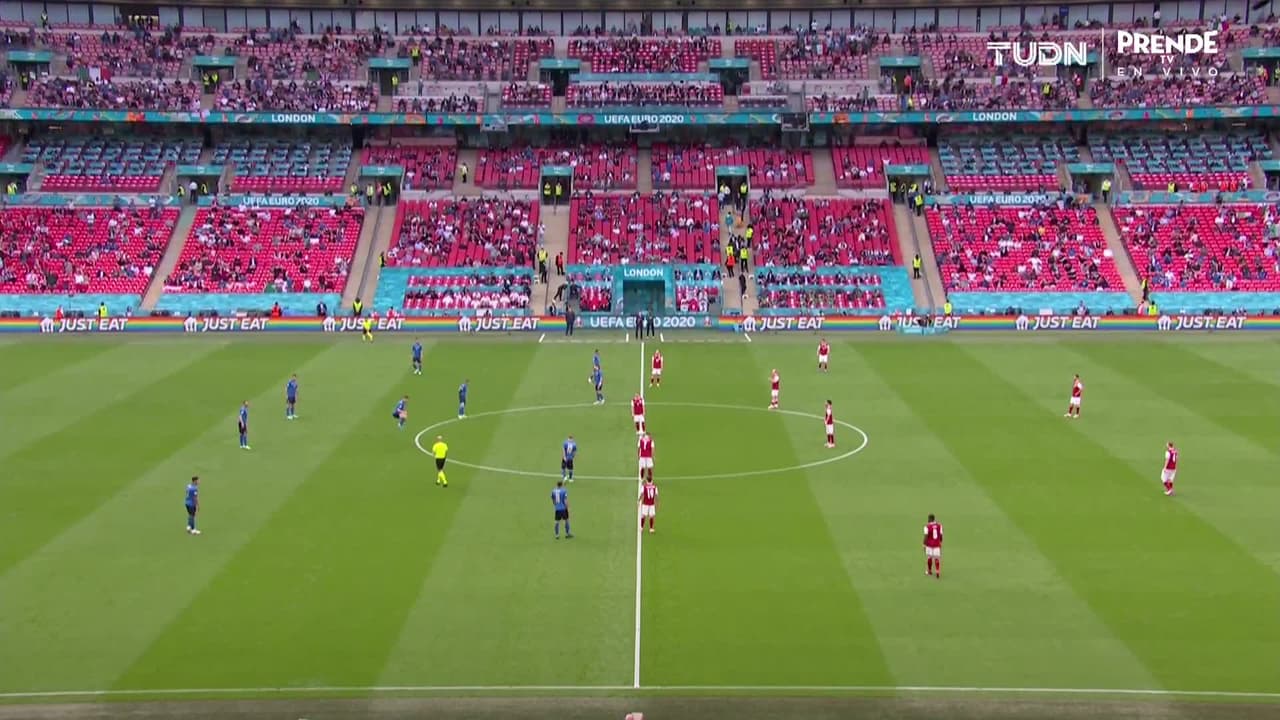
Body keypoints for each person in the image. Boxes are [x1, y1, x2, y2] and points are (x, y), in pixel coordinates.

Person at [924, 514, 943, 578]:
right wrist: (940, 542)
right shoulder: (939, 525)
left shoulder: (927, 526)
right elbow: (941, 535)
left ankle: (929, 571)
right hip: (937, 544)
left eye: (928, 518)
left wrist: (924, 544)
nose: (928, 520)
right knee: (937, 558)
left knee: (929, 557)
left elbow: (926, 536)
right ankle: (937, 571)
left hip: (929, 545)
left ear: (930, 519)